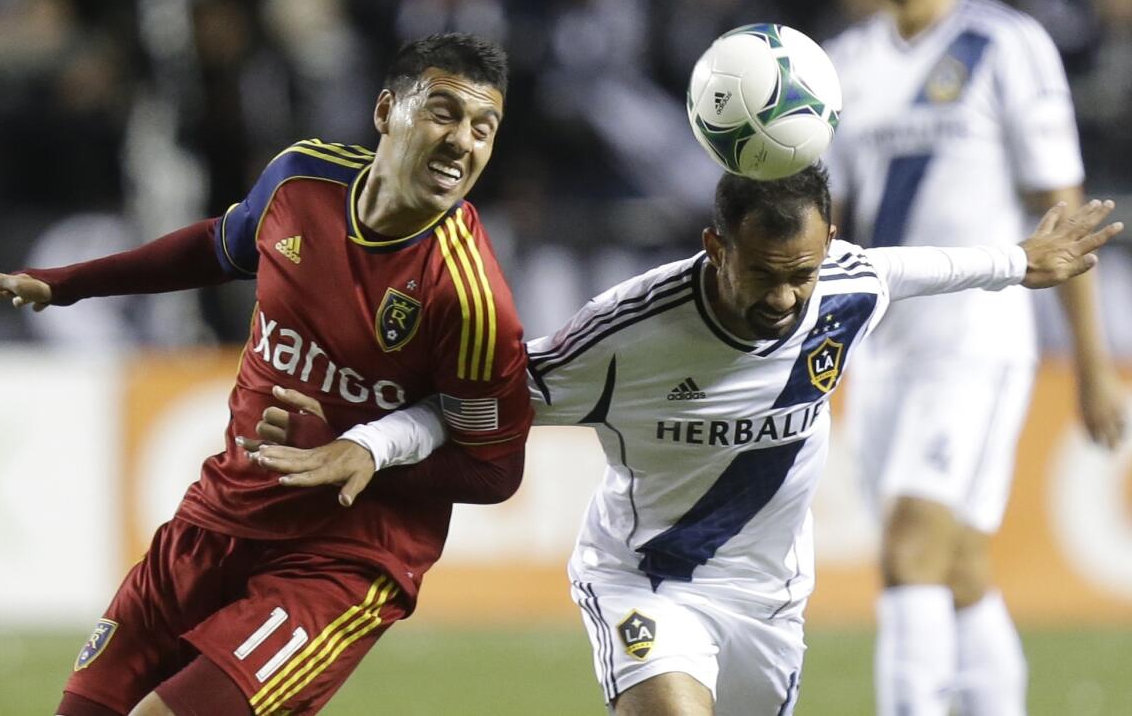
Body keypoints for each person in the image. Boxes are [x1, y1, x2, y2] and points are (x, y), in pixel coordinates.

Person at [244, 164, 1122, 716]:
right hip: (645, 580)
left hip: (769, 601)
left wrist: (1022, 260)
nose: (788, 300)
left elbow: (922, 267)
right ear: (715, 247)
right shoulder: (627, 335)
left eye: (804, 275)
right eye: (766, 277)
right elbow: (478, 400)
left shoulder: (844, 286)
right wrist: (373, 443)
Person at [0, 32, 533, 716]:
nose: (462, 141)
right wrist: (64, 285)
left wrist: (353, 447)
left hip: (336, 564)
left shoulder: (471, 299)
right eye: (443, 112)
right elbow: (217, 246)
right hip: (218, 516)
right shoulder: (301, 180)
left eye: (484, 128)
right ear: (386, 110)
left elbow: (494, 468)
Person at [821, 0, 1127, 713]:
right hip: (884, 348)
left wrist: (1093, 364)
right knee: (957, 566)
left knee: (909, 547)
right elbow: (835, 223)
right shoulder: (840, 64)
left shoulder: (1006, 46)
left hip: (975, 342)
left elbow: (1063, 214)